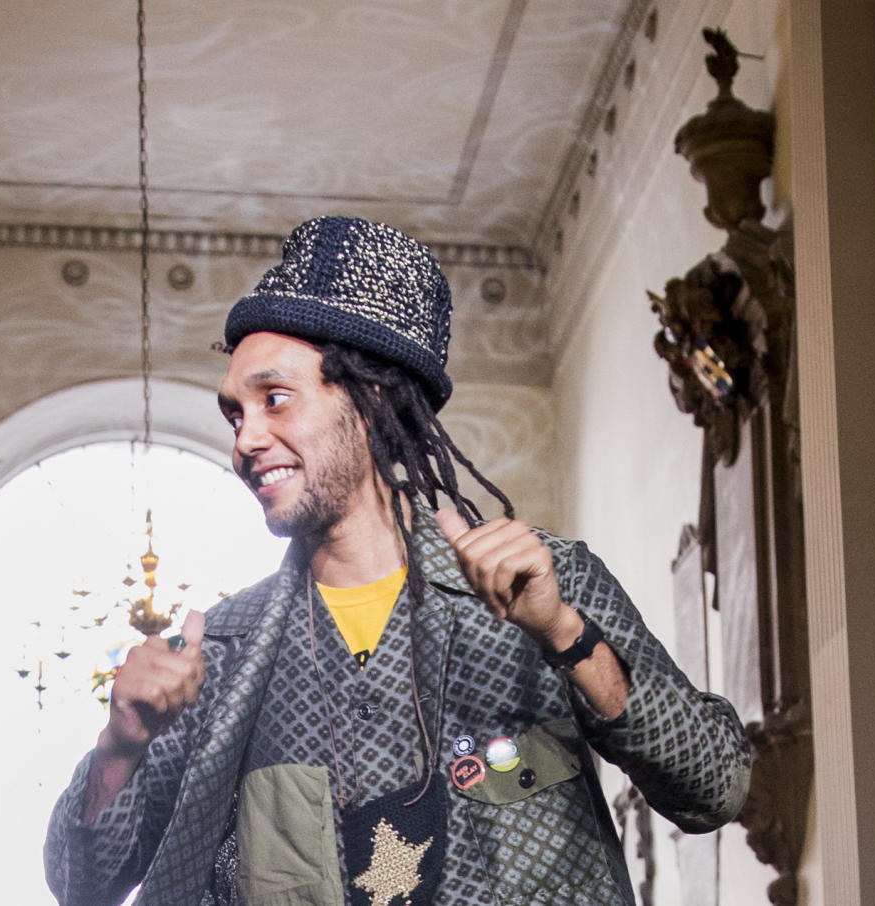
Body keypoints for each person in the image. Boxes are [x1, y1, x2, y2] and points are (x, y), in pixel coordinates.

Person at [45, 216, 750, 906]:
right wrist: (122, 740)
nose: (246, 439)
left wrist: (565, 634)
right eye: (236, 413)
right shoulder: (218, 655)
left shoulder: (545, 584)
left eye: (275, 399)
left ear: (371, 398)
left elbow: (715, 786)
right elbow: (82, 885)